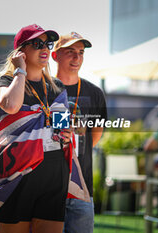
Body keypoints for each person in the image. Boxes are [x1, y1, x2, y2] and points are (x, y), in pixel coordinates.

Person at [0, 24, 74, 233]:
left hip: (53, 169)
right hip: (17, 169)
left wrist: (66, 134)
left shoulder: (58, 87)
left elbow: (62, 129)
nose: (45, 48)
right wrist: (20, 70)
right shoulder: (4, 81)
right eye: (37, 43)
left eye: (48, 44)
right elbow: (12, 106)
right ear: (20, 52)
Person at [51, 32, 107, 233]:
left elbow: (96, 134)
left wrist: (73, 151)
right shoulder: (43, 89)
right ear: (55, 55)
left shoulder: (94, 93)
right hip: (47, 188)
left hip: (82, 187)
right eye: (70, 52)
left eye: (81, 53)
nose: (77, 58)